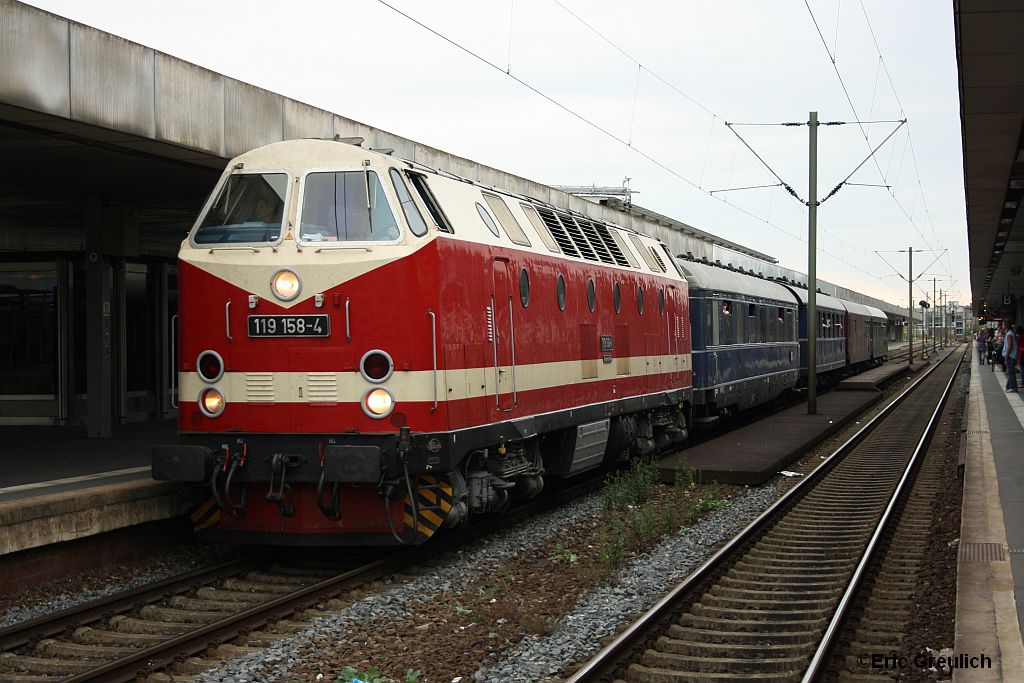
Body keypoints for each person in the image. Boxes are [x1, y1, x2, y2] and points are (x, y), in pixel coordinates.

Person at [1003, 320, 1018, 393]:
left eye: (1003, 324)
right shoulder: (1011, 333)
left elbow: (1010, 346)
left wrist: (1006, 355)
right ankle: (1009, 386)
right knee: (1010, 371)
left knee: (1010, 372)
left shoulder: (1009, 334)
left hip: (1010, 355)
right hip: (1012, 355)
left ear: (1006, 325)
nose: (1002, 326)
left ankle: (1013, 387)